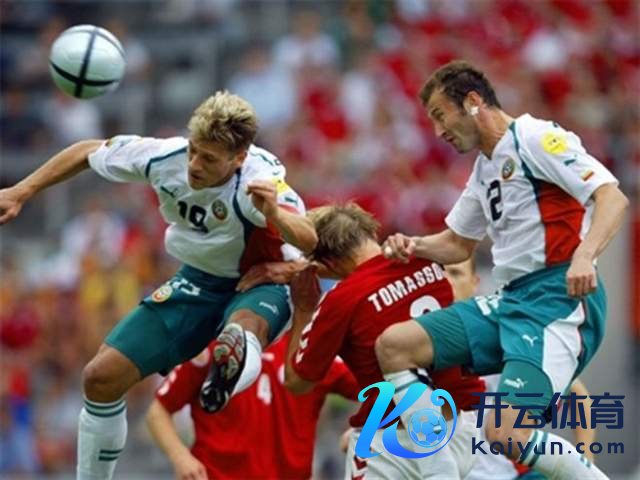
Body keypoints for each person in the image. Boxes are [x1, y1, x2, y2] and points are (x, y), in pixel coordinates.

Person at [0, 91, 317, 480]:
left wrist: (274, 216)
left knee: (242, 330)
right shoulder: (164, 156)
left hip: (262, 281)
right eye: (194, 151)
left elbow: (310, 238)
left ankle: (227, 371)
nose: (194, 165)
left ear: (238, 158)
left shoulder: (260, 181)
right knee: (100, 377)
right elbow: (86, 151)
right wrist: (22, 190)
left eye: (209, 159)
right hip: (198, 280)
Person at [378, 60, 628, 480]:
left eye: (440, 115)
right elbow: (457, 244)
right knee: (395, 345)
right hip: (510, 301)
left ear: (473, 102)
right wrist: (412, 244)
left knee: (506, 433)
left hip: (556, 300)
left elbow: (611, 196)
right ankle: (442, 470)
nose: (438, 131)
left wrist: (585, 255)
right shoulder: (484, 168)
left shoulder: (535, 138)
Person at [285, 203, 486, 479]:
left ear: (326, 263)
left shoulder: (342, 299)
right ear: (370, 232)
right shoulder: (424, 260)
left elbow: (298, 382)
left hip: (396, 445)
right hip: (461, 429)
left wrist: (303, 310)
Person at [445, 260, 597, 480]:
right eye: (442, 274)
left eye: (456, 273)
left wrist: (585, 458)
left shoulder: (503, 332)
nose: (447, 282)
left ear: (475, 282)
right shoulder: (414, 345)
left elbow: (578, 396)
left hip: (513, 474)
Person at [145, 332, 358, 480]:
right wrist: (181, 457)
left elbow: (377, 392)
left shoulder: (311, 351)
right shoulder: (216, 345)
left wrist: (365, 433)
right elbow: (158, 411)